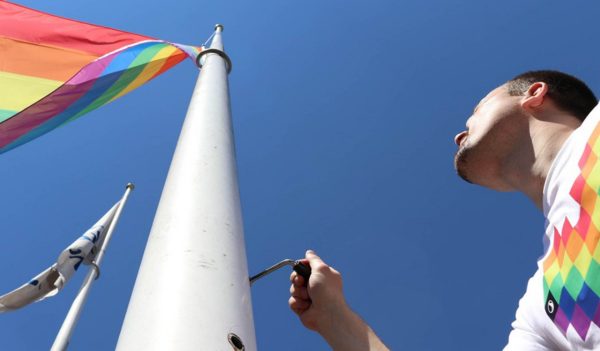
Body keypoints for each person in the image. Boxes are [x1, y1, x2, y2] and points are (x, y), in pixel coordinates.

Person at [289, 70, 600, 350]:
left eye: (477, 111)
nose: (458, 135)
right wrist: (334, 318)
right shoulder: (544, 301)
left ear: (534, 94)